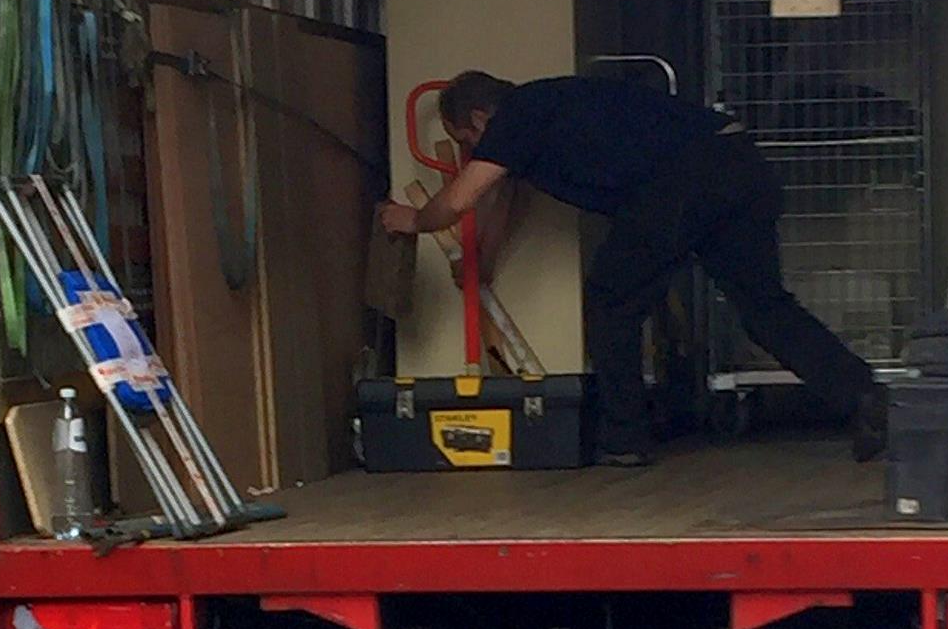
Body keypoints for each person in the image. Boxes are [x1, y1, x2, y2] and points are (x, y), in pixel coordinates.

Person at [379, 70, 887, 465]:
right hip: (738, 163)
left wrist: (413, 220)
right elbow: (507, 202)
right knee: (764, 307)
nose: (472, 152)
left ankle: (623, 439)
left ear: (480, 118)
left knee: (610, 300)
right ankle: (863, 396)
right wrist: (482, 262)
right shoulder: (551, 107)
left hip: (678, 184)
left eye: (466, 141)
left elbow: (462, 198)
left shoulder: (516, 117)